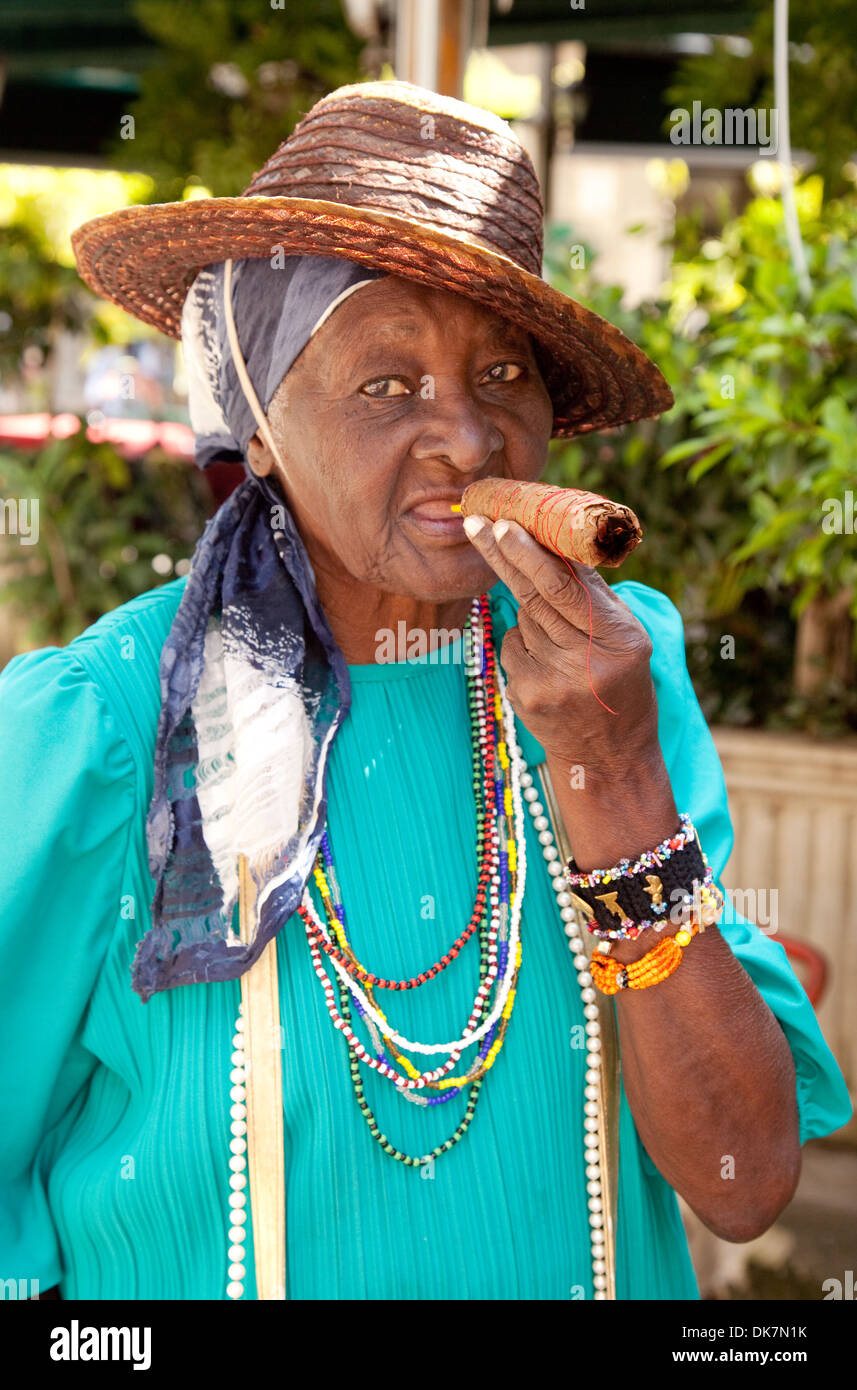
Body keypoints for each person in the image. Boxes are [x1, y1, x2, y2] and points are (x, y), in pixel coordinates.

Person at [0, 80, 849, 1302]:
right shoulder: (110, 723)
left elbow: (740, 1178)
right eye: (385, 383)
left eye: (503, 371)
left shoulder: (616, 672)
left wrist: (610, 777)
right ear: (261, 417)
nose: (463, 435)